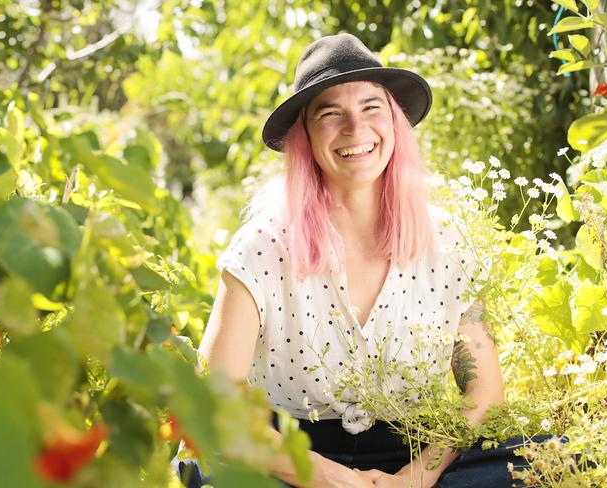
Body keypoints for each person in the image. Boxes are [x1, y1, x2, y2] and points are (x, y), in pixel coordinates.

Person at [178, 33, 538, 488]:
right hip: (286, 456)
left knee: (543, 461)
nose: (356, 128)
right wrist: (331, 480)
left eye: (372, 107)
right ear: (305, 136)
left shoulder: (447, 241)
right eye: (330, 113)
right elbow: (216, 398)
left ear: (394, 122)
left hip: (414, 448)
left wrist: (415, 478)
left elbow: (483, 391)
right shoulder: (263, 246)